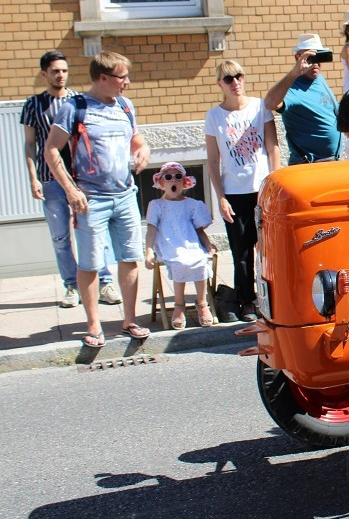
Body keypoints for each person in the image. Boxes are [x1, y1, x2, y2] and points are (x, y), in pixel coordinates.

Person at [43, 51, 151, 348]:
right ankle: (94, 325)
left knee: (130, 258)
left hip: (126, 195)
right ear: (103, 78)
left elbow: (136, 138)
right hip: (90, 198)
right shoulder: (74, 107)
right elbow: (51, 149)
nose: (126, 83)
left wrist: (143, 150)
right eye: (121, 77)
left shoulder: (125, 106)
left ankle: (130, 320)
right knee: (90, 263)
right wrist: (70, 189)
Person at [21, 50, 122, 308]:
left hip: (83, 179)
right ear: (44, 74)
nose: (60, 75)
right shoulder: (33, 105)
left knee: (94, 230)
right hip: (51, 180)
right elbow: (30, 145)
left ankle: (105, 281)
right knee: (60, 236)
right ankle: (71, 285)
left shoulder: (79, 100)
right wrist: (33, 178)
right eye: (55, 71)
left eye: (64, 70)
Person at [204, 59, 280, 322]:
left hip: (262, 190)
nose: (235, 82)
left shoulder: (260, 108)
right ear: (220, 84)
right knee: (243, 252)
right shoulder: (215, 116)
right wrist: (221, 198)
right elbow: (213, 161)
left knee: (270, 249)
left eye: (238, 76)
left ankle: (273, 297)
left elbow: (273, 148)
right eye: (228, 79)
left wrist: (274, 184)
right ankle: (248, 301)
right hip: (234, 193)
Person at [144, 162, 216, 329]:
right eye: (168, 177)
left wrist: (208, 245)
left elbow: (199, 231)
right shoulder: (156, 205)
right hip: (169, 243)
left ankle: (202, 302)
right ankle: (179, 304)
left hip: (188, 241)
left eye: (177, 177)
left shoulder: (192, 204)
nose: (173, 180)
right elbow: (151, 230)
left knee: (200, 259)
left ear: (184, 182)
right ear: (161, 183)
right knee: (179, 262)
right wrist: (148, 251)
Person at [264, 34, 343, 165]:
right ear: (298, 58)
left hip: (331, 161)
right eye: (311, 58)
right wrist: (295, 72)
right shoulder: (292, 87)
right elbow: (270, 103)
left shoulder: (319, 79)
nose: (316, 64)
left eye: (320, 57)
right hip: (308, 166)